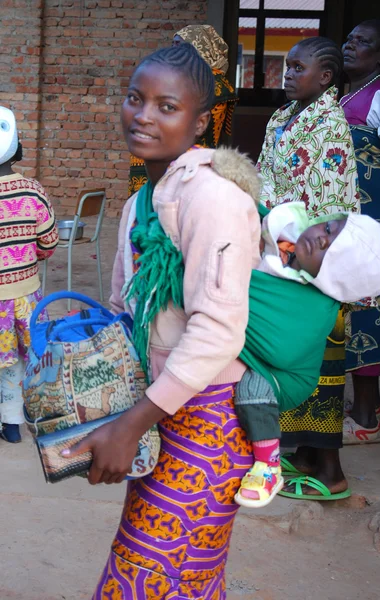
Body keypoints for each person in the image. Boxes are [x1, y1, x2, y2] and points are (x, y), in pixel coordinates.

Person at [62, 43, 261, 597]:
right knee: (182, 577)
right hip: (160, 409)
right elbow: (131, 310)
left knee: (147, 577)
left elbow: (219, 329)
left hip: (209, 420)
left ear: (200, 122)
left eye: (166, 106)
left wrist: (131, 424)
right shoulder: (143, 201)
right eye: (135, 99)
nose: (144, 115)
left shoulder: (213, 199)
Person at [234, 202, 380, 507]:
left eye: (332, 253)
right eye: (329, 228)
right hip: (262, 350)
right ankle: (303, 456)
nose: (321, 238)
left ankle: (268, 463)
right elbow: (259, 215)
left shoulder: (316, 304)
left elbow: (282, 350)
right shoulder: (289, 236)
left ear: (336, 280)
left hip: (284, 378)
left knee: (251, 391)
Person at [257, 37, 361, 500]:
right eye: (288, 66)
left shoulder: (331, 127)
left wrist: (292, 253)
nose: (289, 74)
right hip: (281, 251)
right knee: (295, 351)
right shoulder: (283, 117)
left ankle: (331, 470)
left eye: (299, 68)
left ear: (326, 78)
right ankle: (302, 455)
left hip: (314, 262)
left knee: (324, 359)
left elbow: (329, 215)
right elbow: (262, 177)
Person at [341, 20, 380, 444]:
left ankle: (366, 418)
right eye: (349, 39)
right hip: (354, 217)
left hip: (378, 217)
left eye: (363, 42)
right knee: (353, 301)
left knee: (369, 305)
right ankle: (371, 403)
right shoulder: (348, 95)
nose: (350, 46)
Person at [0, 106, 58, 443]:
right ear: (18, 145)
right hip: (23, 296)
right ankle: (12, 424)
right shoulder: (32, 191)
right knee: (16, 363)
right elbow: (49, 241)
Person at [128, 24, 238, 195]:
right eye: (173, 44)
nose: (174, 50)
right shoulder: (182, 79)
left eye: (180, 45)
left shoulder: (212, 82)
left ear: (201, 47)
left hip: (187, 167)